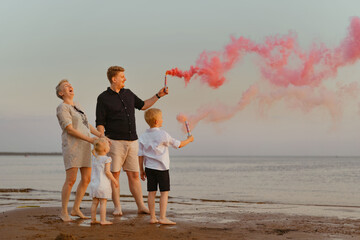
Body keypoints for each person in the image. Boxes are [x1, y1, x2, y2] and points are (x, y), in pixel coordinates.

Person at [96, 66, 168, 216]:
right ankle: (118, 208)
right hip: (114, 142)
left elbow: (143, 106)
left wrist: (158, 95)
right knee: (114, 175)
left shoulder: (128, 94)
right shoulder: (103, 98)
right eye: (122, 77)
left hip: (132, 142)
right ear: (114, 79)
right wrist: (102, 137)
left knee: (134, 175)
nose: (125, 79)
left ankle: (141, 206)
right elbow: (100, 122)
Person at [56, 79, 104, 222]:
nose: (70, 86)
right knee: (71, 179)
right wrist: (90, 140)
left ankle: (76, 209)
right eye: (66, 86)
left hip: (85, 147)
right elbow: (69, 129)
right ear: (60, 93)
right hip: (72, 146)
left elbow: (86, 124)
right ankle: (63, 212)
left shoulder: (78, 106)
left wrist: (100, 135)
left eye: (70, 85)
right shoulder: (62, 107)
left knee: (87, 178)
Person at [138, 108, 194, 225]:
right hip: (162, 169)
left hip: (149, 168)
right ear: (157, 121)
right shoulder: (163, 134)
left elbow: (140, 154)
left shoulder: (143, 136)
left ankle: (153, 217)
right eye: (162, 118)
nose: (163, 120)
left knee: (151, 192)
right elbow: (178, 145)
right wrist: (189, 140)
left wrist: (141, 170)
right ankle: (162, 217)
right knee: (164, 192)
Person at [89, 138, 118, 225]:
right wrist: (114, 180)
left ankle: (93, 219)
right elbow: (107, 172)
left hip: (94, 184)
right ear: (105, 149)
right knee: (103, 203)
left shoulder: (94, 157)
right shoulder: (107, 159)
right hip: (102, 184)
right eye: (108, 146)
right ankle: (103, 220)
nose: (109, 147)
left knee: (94, 202)